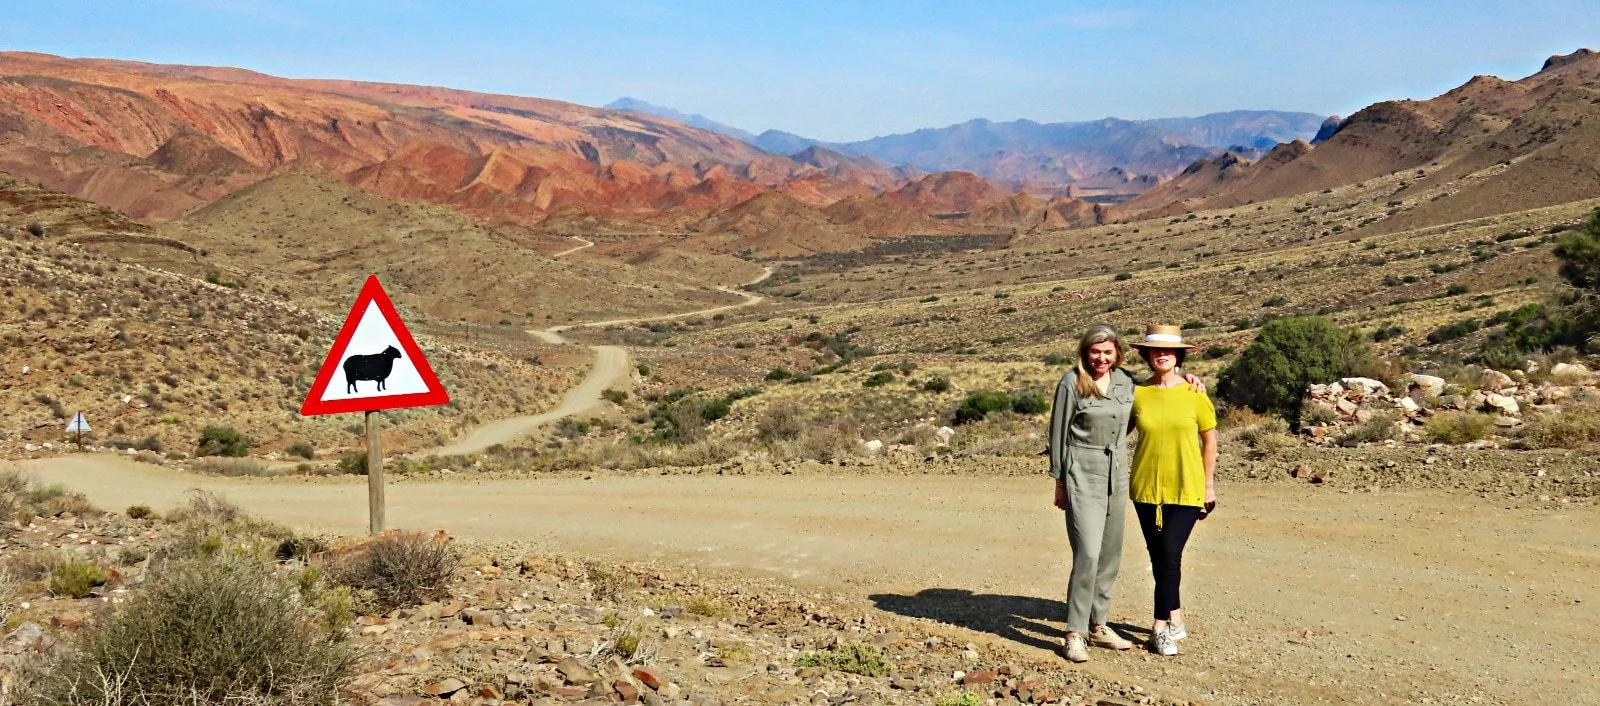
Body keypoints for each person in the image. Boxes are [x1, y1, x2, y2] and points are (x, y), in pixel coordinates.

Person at [1047, 324, 1203, 663]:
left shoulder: (1127, 383)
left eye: (1107, 352)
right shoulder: (1071, 382)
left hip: (1117, 472)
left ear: (1117, 353)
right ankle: (1074, 632)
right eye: (1095, 351)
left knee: (1110, 553)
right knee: (1087, 551)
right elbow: (1057, 433)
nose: (1101, 358)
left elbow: (1159, 390)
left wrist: (1189, 377)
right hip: (1081, 470)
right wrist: (1059, 480)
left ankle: (1099, 624)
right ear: (1085, 352)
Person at [1127, 324, 1218, 657]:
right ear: (1148, 356)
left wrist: (1208, 485)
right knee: (1159, 559)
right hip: (1145, 489)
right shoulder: (1137, 394)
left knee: (1169, 556)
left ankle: (1159, 628)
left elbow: (1210, 442)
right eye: (1155, 351)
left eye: (1168, 350)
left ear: (1178, 355)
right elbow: (1115, 431)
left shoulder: (1195, 394)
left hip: (1187, 488)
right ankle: (1175, 617)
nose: (1161, 355)